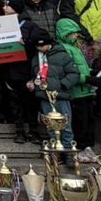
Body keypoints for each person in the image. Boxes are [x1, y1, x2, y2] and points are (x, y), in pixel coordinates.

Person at [28, 29, 79, 163]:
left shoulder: (62, 55)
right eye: (37, 46)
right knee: (50, 125)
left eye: (42, 45)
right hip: (44, 95)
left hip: (60, 95)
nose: (40, 48)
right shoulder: (36, 58)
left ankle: (68, 151)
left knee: (65, 124)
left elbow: (74, 74)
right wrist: (33, 83)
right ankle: (55, 151)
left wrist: (61, 85)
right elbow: (36, 76)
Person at [1, 0, 44, 144]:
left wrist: (28, 43)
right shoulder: (1, 24)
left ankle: (33, 130)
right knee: (14, 103)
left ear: (16, 8)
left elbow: (41, 43)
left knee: (31, 103)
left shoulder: (30, 25)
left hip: (26, 71)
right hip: (10, 71)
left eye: (7, 6)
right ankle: (19, 131)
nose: (4, 8)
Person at [57, 18, 96, 160]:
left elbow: (81, 66)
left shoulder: (76, 47)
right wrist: (86, 78)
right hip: (76, 92)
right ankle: (78, 148)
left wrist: (91, 72)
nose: (76, 36)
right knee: (80, 122)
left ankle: (87, 147)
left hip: (86, 91)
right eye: (73, 33)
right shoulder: (64, 48)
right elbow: (69, 72)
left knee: (88, 121)